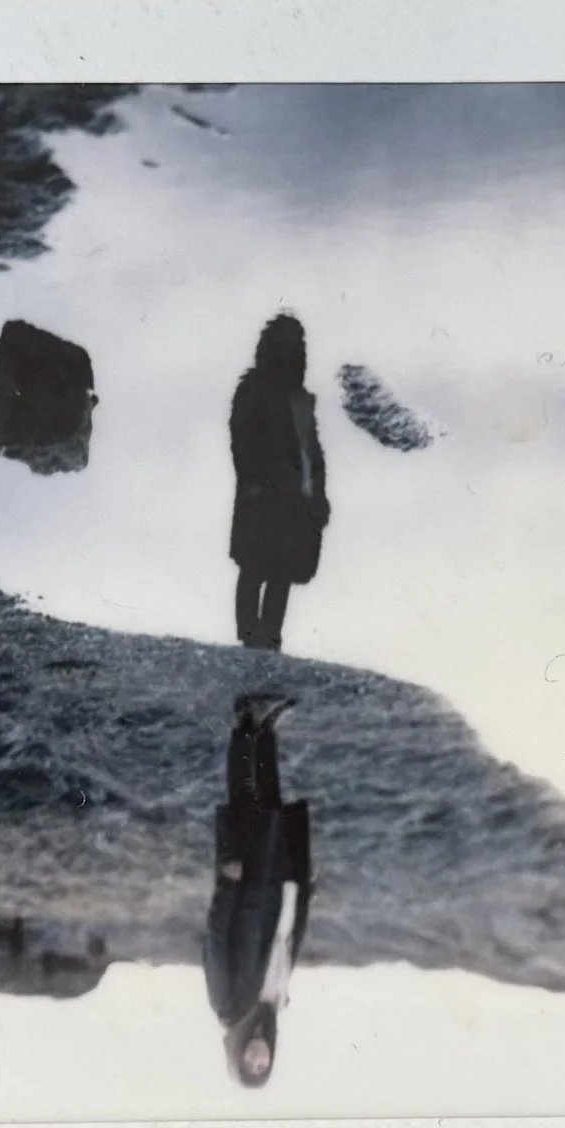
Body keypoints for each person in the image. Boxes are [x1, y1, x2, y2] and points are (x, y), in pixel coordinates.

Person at [205, 693, 313, 1086]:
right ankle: (266, 733)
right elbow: (285, 944)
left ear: (236, 1055)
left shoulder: (228, 1008)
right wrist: (304, 894)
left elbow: (216, 942)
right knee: (272, 809)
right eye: (262, 1067)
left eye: (248, 1064)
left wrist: (226, 886)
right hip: (281, 896)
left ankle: (243, 726)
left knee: (245, 805)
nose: (257, 1058)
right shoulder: (275, 1006)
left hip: (248, 890)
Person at [229, 314, 329, 650]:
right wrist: (253, 481)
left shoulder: (300, 399)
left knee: (282, 569)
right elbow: (242, 439)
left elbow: (311, 450)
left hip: (295, 497)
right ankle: (250, 633)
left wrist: (318, 494)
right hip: (265, 492)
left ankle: (270, 635)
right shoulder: (254, 390)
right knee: (256, 564)